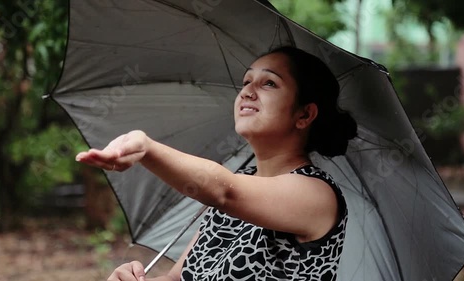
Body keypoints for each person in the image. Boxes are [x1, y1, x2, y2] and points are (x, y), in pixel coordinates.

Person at [76, 46, 357, 281]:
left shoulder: (316, 194)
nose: (247, 91)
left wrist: (146, 148)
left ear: (305, 114)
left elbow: (225, 190)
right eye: (246, 81)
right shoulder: (238, 182)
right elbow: (179, 278)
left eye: (269, 83)